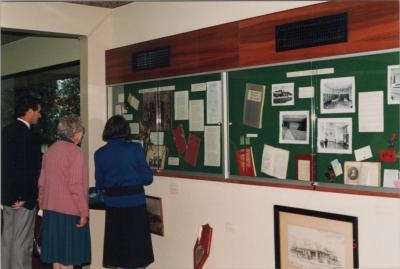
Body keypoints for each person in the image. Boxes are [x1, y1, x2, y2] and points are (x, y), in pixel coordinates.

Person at [94, 115, 154, 269]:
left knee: (117, 254)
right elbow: (148, 178)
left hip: (113, 206)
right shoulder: (135, 148)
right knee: (137, 254)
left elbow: (100, 184)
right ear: (125, 130)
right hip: (135, 205)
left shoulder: (99, 153)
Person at [38, 115, 91, 269]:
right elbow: (75, 185)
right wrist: (83, 213)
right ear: (75, 132)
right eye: (82, 131)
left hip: (51, 210)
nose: (82, 135)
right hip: (70, 212)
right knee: (69, 258)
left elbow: (42, 183)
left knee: (57, 257)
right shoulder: (76, 152)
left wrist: (42, 206)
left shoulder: (50, 150)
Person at [1, 95, 43, 269]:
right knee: (22, 243)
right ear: (30, 111)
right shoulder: (29, 135)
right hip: (23, 199)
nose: (40, 116)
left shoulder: (6, 131)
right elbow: (29, 169)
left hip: (7, 196)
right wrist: (26, 197)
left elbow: (6, 165)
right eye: (38, 112)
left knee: (7, 241)